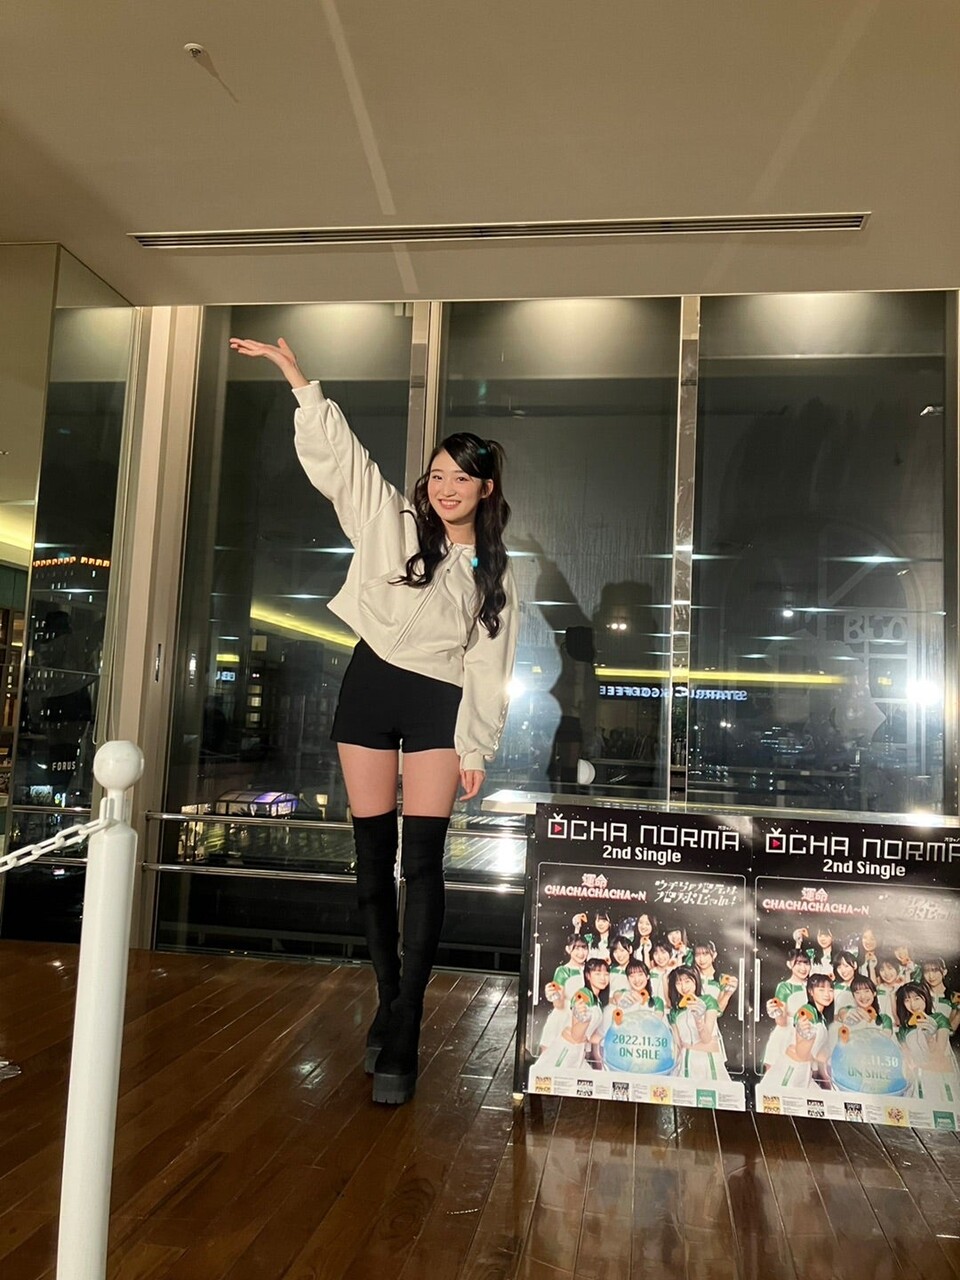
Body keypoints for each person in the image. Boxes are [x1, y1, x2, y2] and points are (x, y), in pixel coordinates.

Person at [229, 337, 519, 1105]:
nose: (446, 487)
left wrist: (476, 745)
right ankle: (388, 1003)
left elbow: (490, 665)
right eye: (438, 474)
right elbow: (343, 461)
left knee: (422, 864)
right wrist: (298, 379)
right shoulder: (392, 520)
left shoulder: (495, 571)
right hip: (369, 687)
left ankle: (408, 1021)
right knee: (369, 858)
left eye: (462, 477)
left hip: (438, 705)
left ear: (486, 489)